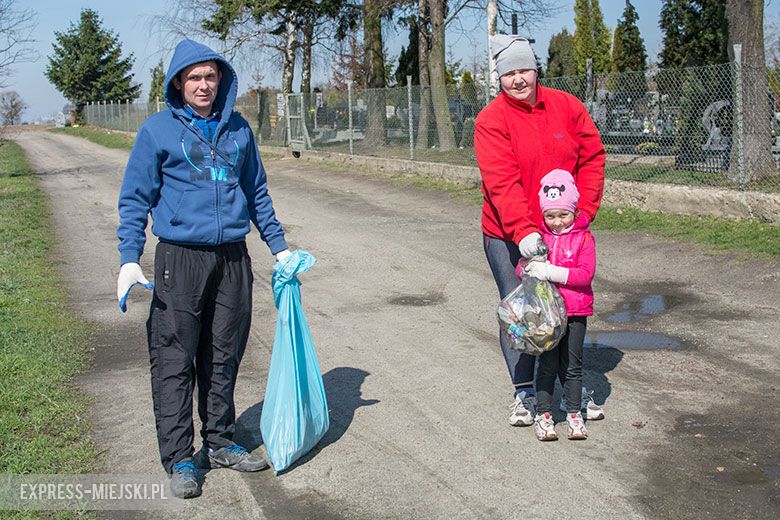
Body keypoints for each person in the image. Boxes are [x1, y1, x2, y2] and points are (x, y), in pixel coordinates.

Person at [115, 39, 292, 498]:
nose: (203, 85)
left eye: (210, 76)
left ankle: (218, 441)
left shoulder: (239, 131)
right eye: (194, 77)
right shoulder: (157, 131)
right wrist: (129, 256)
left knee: (224, 352)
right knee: (175, 359)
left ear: (222, 80)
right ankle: (179, 457)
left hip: (232, 257)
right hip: (181, 259)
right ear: (179, 83)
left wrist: (279, 246)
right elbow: (135, 198)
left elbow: (257, 193)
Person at [474, 35, 605, 428]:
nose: (518, 79)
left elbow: (593, 156)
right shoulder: (491, 121)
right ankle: (525, 393)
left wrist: (582, 213)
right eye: (509, 72)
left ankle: (570, 390)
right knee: (522, 311)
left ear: (536, 69)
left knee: (566, 307)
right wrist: (523, 231)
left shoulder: (567, 107)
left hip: (561, 232)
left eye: (524, 69)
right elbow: (502, 182)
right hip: (507, 233)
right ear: (499, 77)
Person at [518, 169, 595, 441]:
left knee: (572, 365)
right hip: (547, 315)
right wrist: (528, 267)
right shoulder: (541, 239)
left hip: (575, 312)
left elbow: (585, 274)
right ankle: (544, 414)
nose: (557, 222)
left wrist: (552, 272)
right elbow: (522, 270)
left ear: (574, 211)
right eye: (550, 216)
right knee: (548, 364)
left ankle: (574, 412)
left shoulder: (584, 239)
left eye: (563, 214)